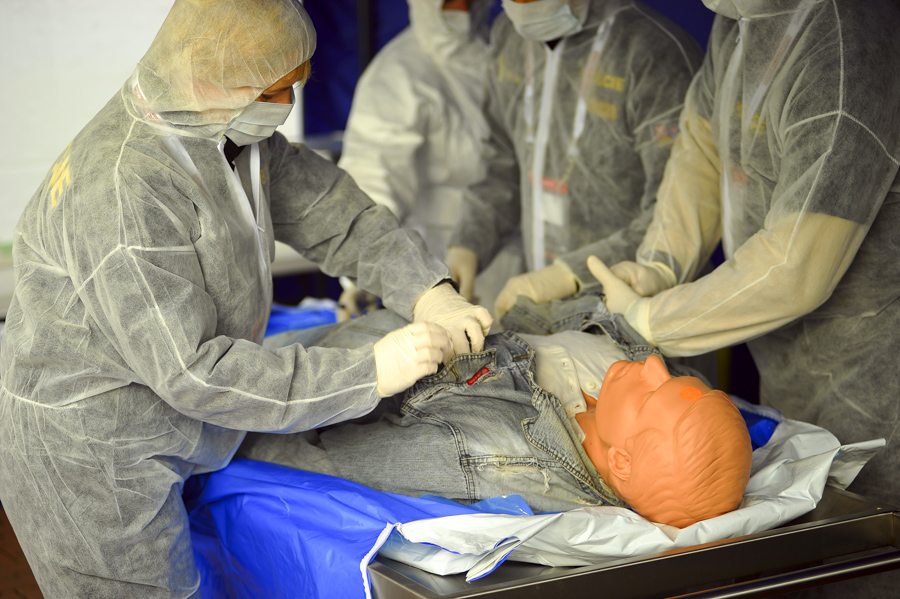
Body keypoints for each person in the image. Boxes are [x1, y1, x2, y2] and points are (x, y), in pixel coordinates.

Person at [0, 1, 492, 596]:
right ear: (209, 80)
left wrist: (429, 292)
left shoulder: (225, 134)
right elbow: (194, 371)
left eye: (296, 85)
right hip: (93, 450)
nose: (286, 105)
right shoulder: (123, 191)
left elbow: (336, 215)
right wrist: (367, 373)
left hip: (172, 417)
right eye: (274, 91)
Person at [583, 0, 900, 594]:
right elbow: (705, 149)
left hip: (875, 380)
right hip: (786, 370)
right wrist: (660, 265)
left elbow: (794, 265)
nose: (653, 367)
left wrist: (653, 318)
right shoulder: (740, 19)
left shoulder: (846, 49)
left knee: (864, 562)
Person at [240, 308, 753, 527]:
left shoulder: (489, 455)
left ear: (620, 461)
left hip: (299, 375)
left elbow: (329, 459)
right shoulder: (626, 406)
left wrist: (225, 430)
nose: (655, 367)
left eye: (651, 393)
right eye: (670, 378)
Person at [444, 0, 704, 320]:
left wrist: (571, 273)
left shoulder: (655, 52)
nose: (523, 5)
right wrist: (468, 245)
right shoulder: (510, 38)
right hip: (541, 304)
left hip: (641, 308)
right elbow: (502, 164)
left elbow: (678, 211)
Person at [336, 0, 523, 320]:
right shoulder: (398, 72)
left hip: (513, 254)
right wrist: (362, 273)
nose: (462, 9)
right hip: (437, 267)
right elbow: (373, 177)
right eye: (450, 1)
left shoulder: (499, 51)